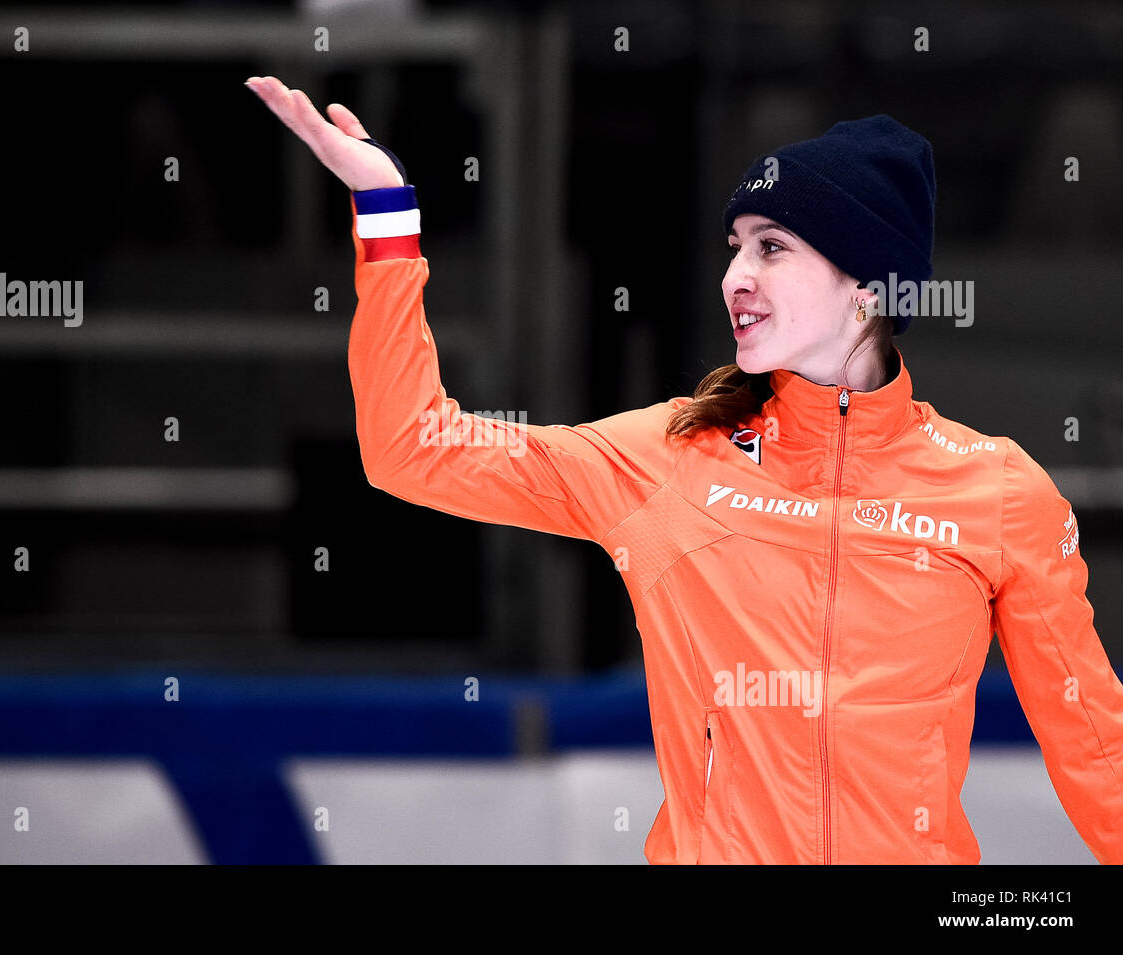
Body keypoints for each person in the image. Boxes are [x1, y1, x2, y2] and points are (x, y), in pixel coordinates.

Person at [246, 75, 1123, 864]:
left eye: (772, 247)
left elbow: (1095, 745)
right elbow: (414, 447)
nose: (734, 275)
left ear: (869, 285)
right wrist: (387, 211)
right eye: (735, 245)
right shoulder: (668, 457)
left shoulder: (1000, 492)